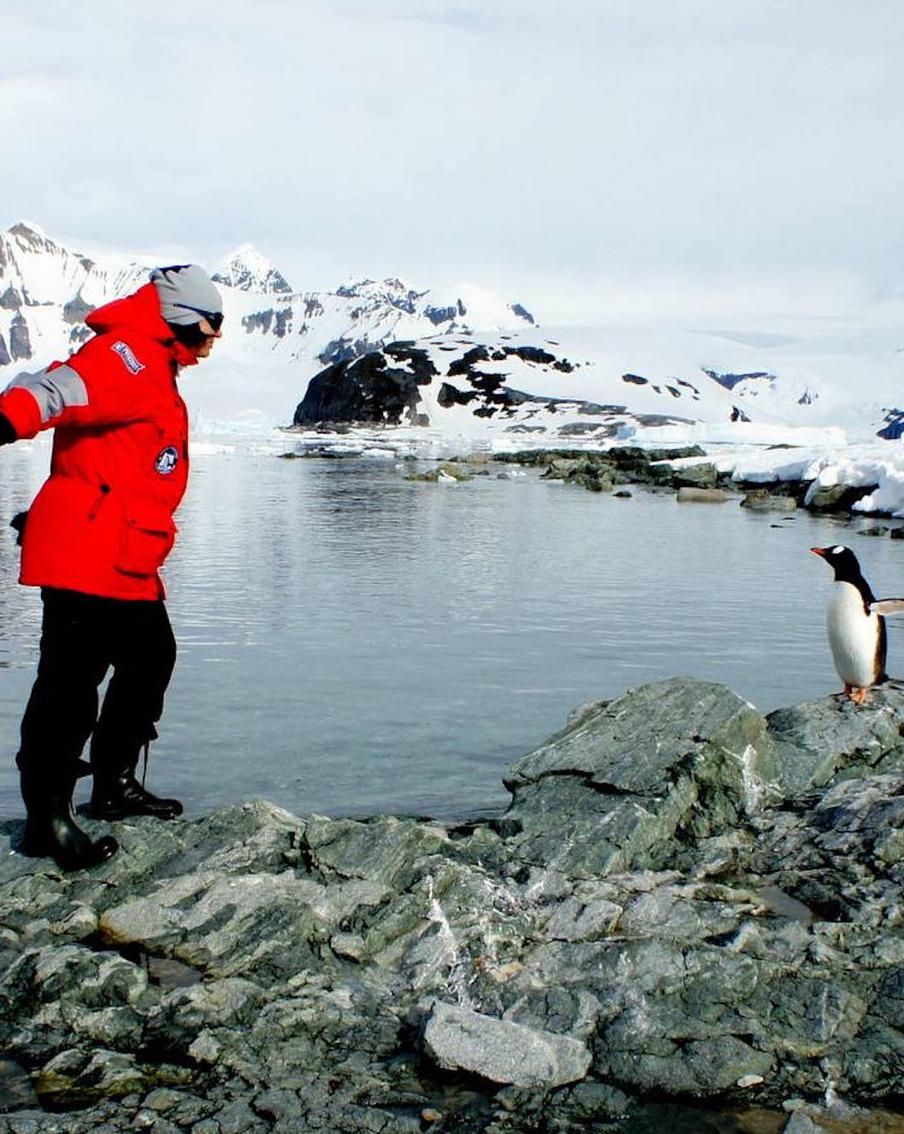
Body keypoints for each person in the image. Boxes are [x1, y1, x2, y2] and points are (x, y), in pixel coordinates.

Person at [0, 264, 224, 871]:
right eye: (210, 326)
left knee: (151, 657)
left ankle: (112, 786)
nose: (215, 339)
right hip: (87, 549)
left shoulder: (155, 361)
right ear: (182, 320)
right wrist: (8, 419)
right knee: (69, 685)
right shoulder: (126, 354)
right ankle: (48, 817)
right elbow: (58, 390)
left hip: (125, 551)